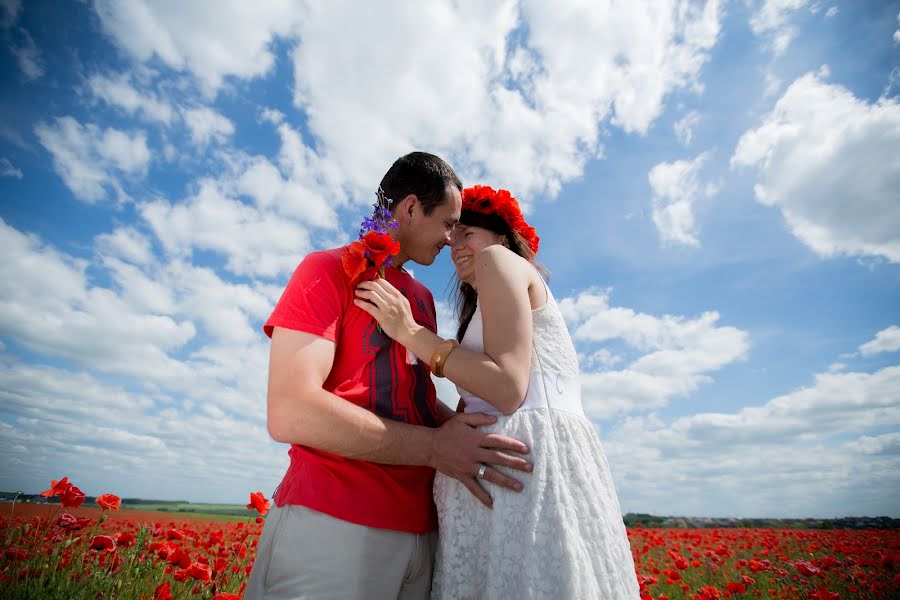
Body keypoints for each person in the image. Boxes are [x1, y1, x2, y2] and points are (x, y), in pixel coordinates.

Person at [245, 155, 534, 600]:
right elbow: (291, 411)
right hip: (333, 522)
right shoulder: (324, 269)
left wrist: (459, 426)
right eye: (448, 223)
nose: (451, 239)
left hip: (423, 528)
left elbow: (410, 395)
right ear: (411, 208)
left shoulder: (420, 298)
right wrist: (438, 446)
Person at [355, 185, 641, 599]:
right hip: (510, 464)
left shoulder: (497, 260)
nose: (454, 245)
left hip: (518, 470)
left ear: (502, 239)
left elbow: (507, 389)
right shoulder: (488, 298)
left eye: (467, 232)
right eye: (453, 235)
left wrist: (408, 332)